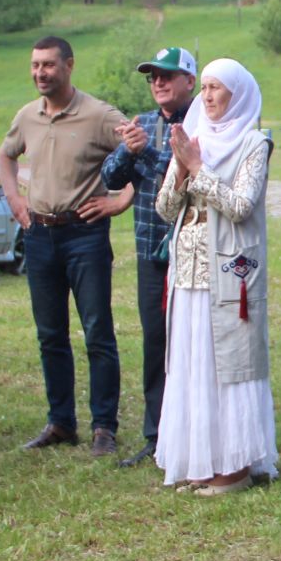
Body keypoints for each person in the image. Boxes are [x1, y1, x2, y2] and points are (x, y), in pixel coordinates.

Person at [0, 36, 132, 455]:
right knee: (50, 334)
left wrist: (120, 201)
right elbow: (5, 157)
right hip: (39, 235)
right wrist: (15, 200)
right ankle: (60, 423)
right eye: (35, 65)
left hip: (84, 235)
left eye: (49, 65)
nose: (40, 73)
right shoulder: (27, 116)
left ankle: (104, 428)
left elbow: (138, 152)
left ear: (69, 66)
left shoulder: (98, 114)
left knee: (97, 332)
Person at [152, 59, 278, 493]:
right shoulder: (195, 138)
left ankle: (236, 465)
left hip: (228, 271)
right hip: (186, 272)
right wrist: (182, 166)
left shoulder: (253, 143)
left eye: (216, 88)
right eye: (203, 87)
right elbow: (166, 210)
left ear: (237, 93)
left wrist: (199, 169)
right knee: (193, 365)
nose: (207, 96)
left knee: (227, 362)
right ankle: (202, 460)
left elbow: (242, 205)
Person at [100, 47, 198, 468]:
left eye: (167, 75)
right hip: (150, 253)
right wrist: (127, 150)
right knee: (155, 342)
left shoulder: (203, 124)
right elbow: (109, 177)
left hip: (193, 254)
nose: (158, 83)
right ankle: (156, 436)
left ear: (188, 81)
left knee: (193, 343)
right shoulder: (141, 125)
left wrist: (145, 154)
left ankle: (194, 432)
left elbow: (191, 174)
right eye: (152, 77)